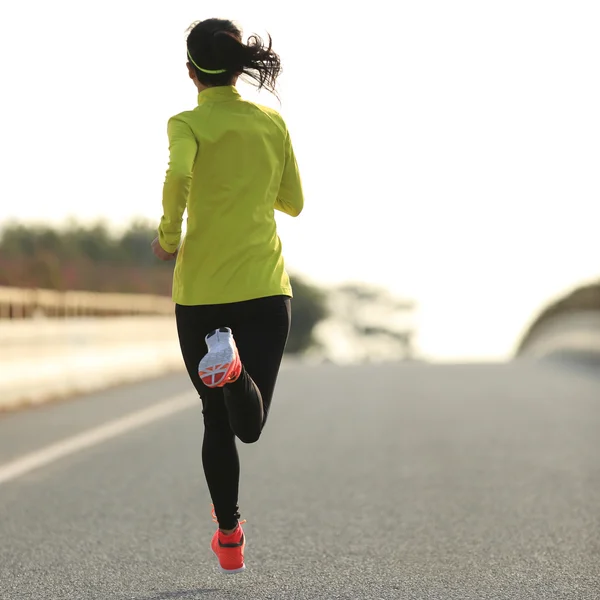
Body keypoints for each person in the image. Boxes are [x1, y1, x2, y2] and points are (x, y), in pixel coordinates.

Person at [151, 17, 303, 574]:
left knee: (216, 421)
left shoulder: (186, 123)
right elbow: (294, 202)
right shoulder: (271, 122)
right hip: (264, 288)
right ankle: (235, 372)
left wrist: (169, 237)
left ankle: (229, 535)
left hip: (201, 294)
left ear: (191, 71)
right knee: (250, 425)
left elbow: (178, 178)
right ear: (237, 66)